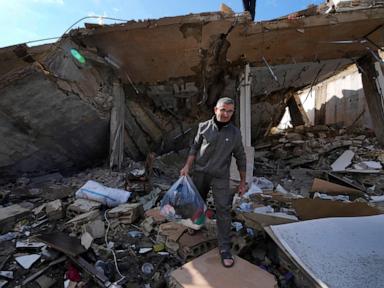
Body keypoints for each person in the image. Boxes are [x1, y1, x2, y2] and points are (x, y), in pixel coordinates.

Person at [180, 97, 246, 268]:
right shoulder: (203, 127)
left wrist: (242, 181)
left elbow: (241, 157)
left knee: (223, 209)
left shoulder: (235, 133)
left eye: (230, 111)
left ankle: (224, 248)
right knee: (197, 201)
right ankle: (196, 225)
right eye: (223, 110)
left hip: (220, 176)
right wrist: (187, 166)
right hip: (200, 172)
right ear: (215, 109)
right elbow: (194, 148)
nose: (226, 114)